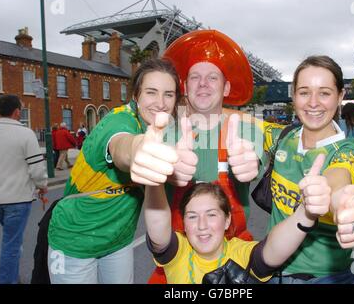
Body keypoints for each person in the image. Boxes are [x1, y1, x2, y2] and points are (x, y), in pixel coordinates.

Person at [147, 29, 268, 283]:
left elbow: (253, 156)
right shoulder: (164, 132)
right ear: (185, 86)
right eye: (195, 77)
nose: (203, 84)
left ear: (226, 88)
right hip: (176, 256)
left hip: (234, 257)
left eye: (212, 77)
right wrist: (165, 167)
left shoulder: (245, 128)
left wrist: (250, 163)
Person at [46, 58, 180, 283]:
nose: (160, 102)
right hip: (74, 241)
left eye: (169, 94)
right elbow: (122, 146)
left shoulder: (165, 131)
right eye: (151, 92)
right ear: (136, 96)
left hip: (119, 242)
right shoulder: (118, 121)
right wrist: (139, 151)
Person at [265, 56, 354, 284]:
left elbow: (339, 181)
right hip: (269, 272)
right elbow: (231, 118)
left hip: (326, 278)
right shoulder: (281, 137)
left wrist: (344, 206)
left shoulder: (349, 153)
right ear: (294, 96)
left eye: (324, 93)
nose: (313, 102)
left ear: (340, 97)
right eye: (304, 92)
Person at [144, 153, 335, 283]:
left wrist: (306, 213)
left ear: (227, 220)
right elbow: (158, 231)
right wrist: (153, 179)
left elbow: (272, 251)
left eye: (211, 215)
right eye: (192, 217)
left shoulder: (239, 251)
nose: (202, 225)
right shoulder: (180, 253)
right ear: (183, 223)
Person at [0, 94, 48, 284]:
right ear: (17, 111)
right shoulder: (25, 133)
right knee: (11, 245)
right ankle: (8, 280)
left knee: (13, 239)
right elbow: (37, 169)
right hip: (17, 199)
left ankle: (13, 275)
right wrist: (42, 186)